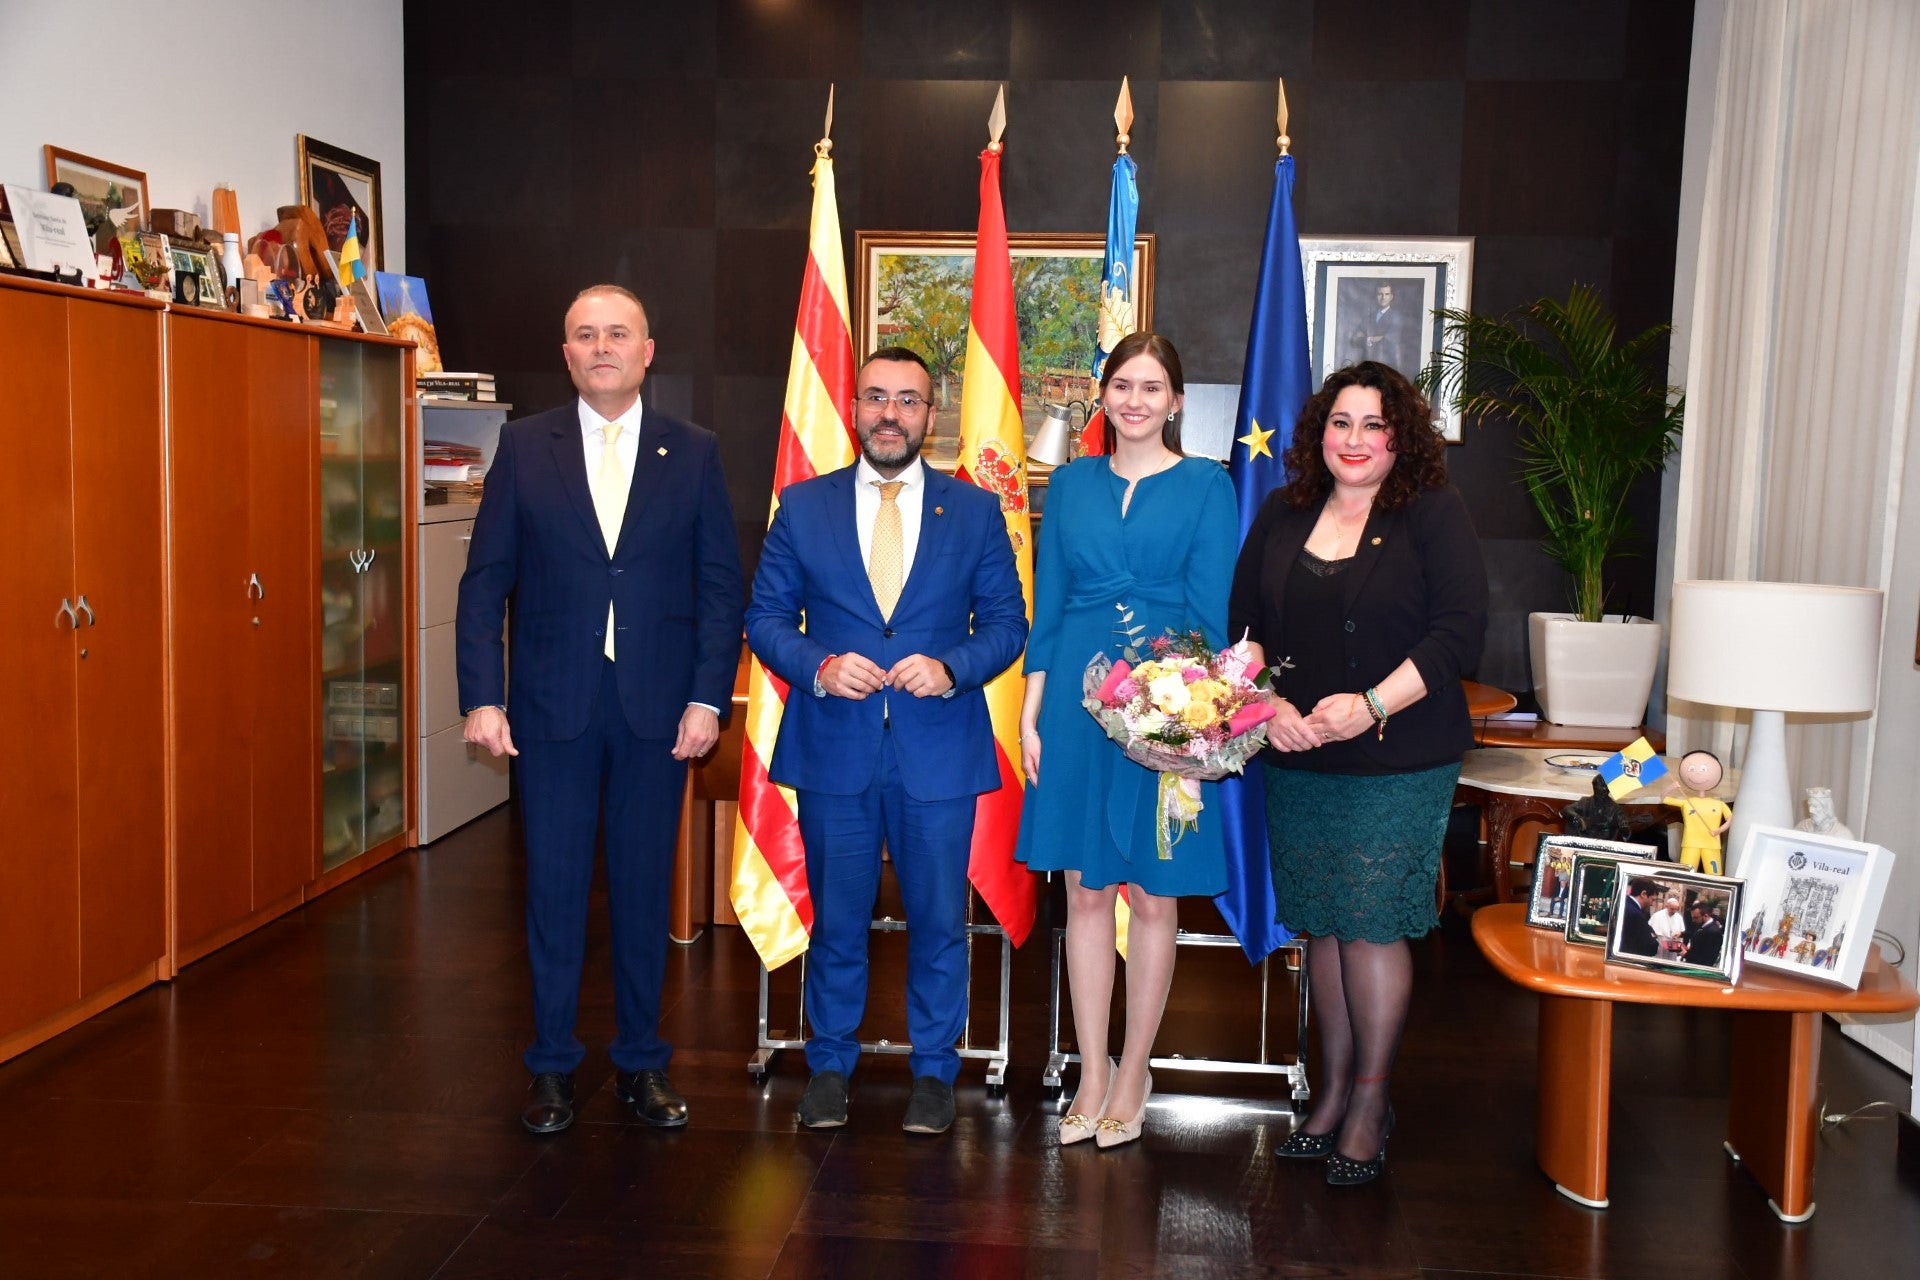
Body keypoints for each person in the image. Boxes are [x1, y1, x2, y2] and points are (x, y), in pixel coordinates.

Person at [457, 284, 745, 1134]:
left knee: (643, 892)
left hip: (659, 711)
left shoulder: (693, 451)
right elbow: (484, 584)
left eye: (618, 334)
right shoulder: (523, 446)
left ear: (647, 351)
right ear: (567, 353)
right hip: (551, 709)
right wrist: (482, 695)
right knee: (552, 891)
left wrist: (707, 697)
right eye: (586, 335)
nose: (602, 347)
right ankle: (551, 1066)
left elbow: (720, 587)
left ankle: (641, 1063)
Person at [744, 347, 1028, 1136]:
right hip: (834, 746)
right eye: (876, 398)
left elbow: (1008, 625)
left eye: (908, 400)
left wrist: (952, 668)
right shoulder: (803, 506)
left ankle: (934, 1072)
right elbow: (764, 618)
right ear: (854, 408)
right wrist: (820, 666)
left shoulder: (974, 511)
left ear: (931, 416)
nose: (890, 414)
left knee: (938, 922)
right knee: (838, 920)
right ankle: (829, 1065)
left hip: (939, 752)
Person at [1228, 360, 1488, 1187]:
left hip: (1397, 756)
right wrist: (1267, 704)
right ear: (1320, 431)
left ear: (1399, 437)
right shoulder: (1284, 508)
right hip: (1299, 752)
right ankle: (1333, 1091)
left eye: (1374, 424)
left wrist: (1372, 704)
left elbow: (1458, 634)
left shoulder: (1432, 512)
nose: (1355, 439)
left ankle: (1371, 1104)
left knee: (1371, 923)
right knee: (1326, 925)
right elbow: (1244, 626)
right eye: (1341, 422)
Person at [1013, 332, 1237, 1150]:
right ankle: (1091, 1069)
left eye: (1151, 387)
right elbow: (1049, 603)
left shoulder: (1209, 486)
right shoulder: (1071, 483)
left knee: (1151, 893)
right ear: (1102, 397)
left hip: (1165, 700)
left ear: (1175, 400)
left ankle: (1135, 1070)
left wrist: (1195, 729)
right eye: (1121, 385)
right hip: (1074, 703)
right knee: (1081, 891)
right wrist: (1031, 711)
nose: (1134, 400)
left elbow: (1210, 617)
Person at [1664, 750, 1732, 874]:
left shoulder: (1719, 804)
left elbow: (1730, 819)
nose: (1697, 773)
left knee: (1714, 874)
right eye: (1692, 769)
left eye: (1703, 769)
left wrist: (1719, 830)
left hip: (1711, 843)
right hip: (1690, 843)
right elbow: (1664, 798)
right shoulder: (1687, 801)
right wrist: (1671, 787)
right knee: (1686, 873)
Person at [1341, 281, 1422, 374]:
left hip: (1387, 366)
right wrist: (1374, 338)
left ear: (1391, 297)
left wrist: (1367, 338)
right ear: (1376, 296)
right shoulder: (1368, 317)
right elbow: (1354, 340)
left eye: (1386, 294)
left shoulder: (1396, 317)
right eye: (1380, 294)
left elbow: (1389, 339)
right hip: (1367, 366)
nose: (1383, 297)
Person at [1619, 880, 1662, 957]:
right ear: (1643, 894)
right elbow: (1650, 946)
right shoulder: (1635, 914)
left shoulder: (1621, 904)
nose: (1652, 904)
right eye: (1652, 899)